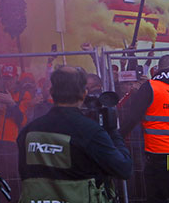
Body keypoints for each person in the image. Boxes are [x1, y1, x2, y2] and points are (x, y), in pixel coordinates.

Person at [17, 65, 131, 202]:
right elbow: (124, 169)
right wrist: (113, 131)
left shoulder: (28, 131)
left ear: (52, 92)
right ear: (84, 94)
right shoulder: (90, 132)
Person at [120, 54, 169, 203]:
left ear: (158, 69)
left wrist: (117, 136)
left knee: (157, 198)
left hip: (158, 154)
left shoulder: (151, 87)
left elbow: (132, 117)